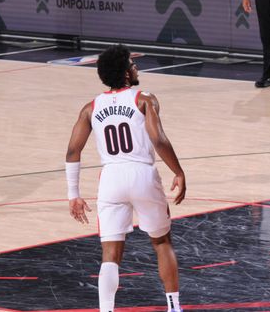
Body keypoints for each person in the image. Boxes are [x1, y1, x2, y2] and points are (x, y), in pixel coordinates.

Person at [65, 44, 186, 312]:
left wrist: (73, 194)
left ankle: (106, 310)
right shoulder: (144, 99)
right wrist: (178, 170)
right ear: (126, 74)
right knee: (162, 242)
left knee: (110, 253)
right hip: (142, 173)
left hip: (111, 178)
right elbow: (158, 139)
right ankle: (174, 307)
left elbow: (73, 151)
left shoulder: (90, 108)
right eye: (132, 63)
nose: (136, 67)